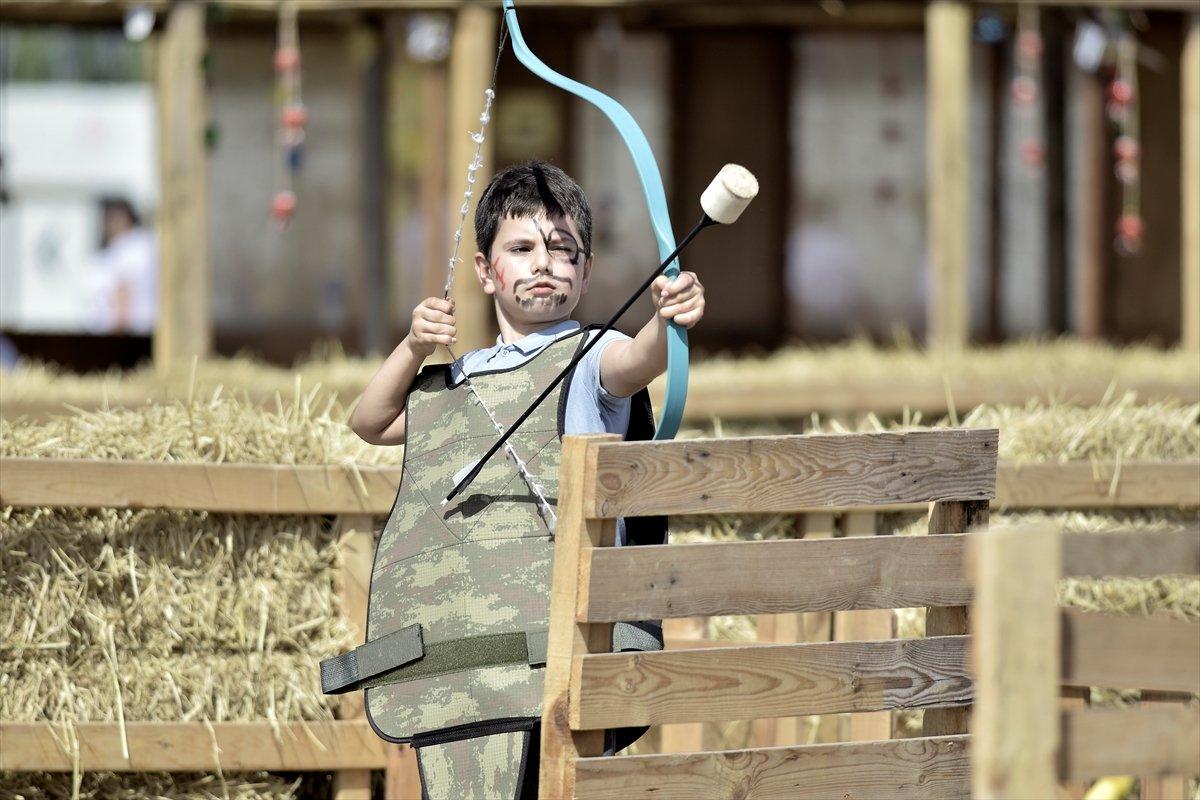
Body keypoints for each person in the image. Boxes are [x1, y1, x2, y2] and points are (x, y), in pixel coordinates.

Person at [343, 161, 704, 799]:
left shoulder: (594, 357)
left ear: (586, 271)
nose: (544, 264)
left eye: (563, 251)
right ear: (485, 271)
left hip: (557, 661)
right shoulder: (456, 378)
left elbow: (638, 358)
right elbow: (370, 421)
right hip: (463, 668)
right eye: (521, 249)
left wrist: (668, 319)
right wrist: (412, 346)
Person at [84, 196, 157, 335]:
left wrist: (117, 335)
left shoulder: (129, 247)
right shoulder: (143, 245)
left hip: (126, 333)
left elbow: (122, 294)